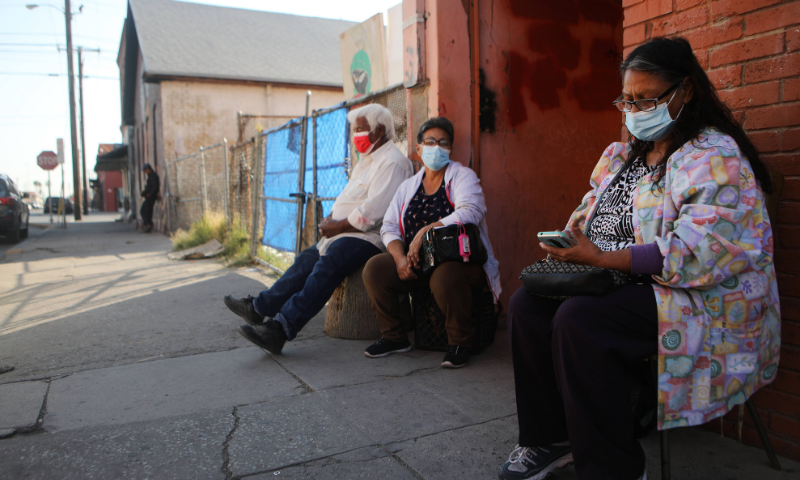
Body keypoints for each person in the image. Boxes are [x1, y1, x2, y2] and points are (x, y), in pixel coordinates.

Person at [498, 37, 780, 480]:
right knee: (525, 307)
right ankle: (550, 440)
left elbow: (700, 252)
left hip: (693, 294)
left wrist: (604, 259)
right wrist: (571, 242)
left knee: (580, 321)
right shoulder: (623, 157)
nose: (635, 110)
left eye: (647, 99)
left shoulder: (715, 157)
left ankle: (614, 468)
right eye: (627, 100)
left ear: (685, 91)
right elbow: (590, 211)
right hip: (614, 281)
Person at [225, 104, 413, 354]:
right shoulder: (366, 161)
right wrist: (331, 220)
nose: (356, 135)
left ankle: (280, 330)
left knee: (329, 263)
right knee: (306, 259)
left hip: (369, 238)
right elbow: (348, 198)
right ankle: (258, 309)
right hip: (345, 233)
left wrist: (337, 226)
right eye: (354, 130)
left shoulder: (393, 163)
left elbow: (373, 213)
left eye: (360, 129)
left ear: (379, 130)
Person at [362, 117, 501, 369]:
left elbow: (472, 211)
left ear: (450, 149)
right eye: (430, 141)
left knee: (444, 275)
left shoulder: (462, 176)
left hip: (459, 262)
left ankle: (460, 343)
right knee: (375, 269)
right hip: (417, 262)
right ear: (418, 149)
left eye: (443, 142)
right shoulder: (408, 187)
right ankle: (394, 337)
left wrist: (427, 230)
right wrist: (399, 258)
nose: (436, 147)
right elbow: (390, 227)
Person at [140, 163, 159, 233]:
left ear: (147, 169)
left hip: (151, 197)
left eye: (145, 170)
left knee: (147, 211)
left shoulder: (153, 176)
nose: (145, 172)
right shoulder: (150, 176)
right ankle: (147, 224)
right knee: (143, 210)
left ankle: (148, 225)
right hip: (148, 196)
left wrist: (149, 194)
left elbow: (154, 187)